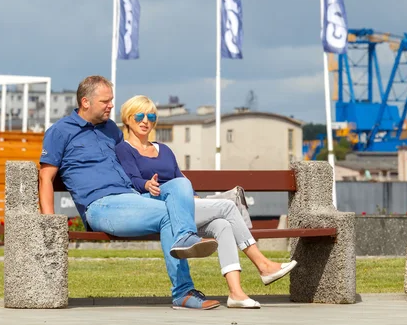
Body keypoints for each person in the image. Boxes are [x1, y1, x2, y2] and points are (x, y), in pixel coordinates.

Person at [38, 75, 221, 310]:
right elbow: (46, 178)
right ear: (85, 102)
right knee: (168, 214)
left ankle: (185, 239)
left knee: (180, 185)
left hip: (133, 199)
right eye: (105, 101)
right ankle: (183, 291)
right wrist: (49, 223)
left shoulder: (111, 130)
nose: (111, 105)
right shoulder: (60, 131)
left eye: (111, 100)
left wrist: (148, 181)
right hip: (101, 206)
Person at [115, 95, 298, 309]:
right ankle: (263, 264)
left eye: (151, 116)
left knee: (222, 225)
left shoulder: (163, 149)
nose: (146, 120)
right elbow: (131, 179)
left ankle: (236, 293)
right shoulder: (124, 148)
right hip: (156, 206)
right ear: (127, 119)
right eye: (139, 115)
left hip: (182, 206)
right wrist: (147, 184)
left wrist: (191, 194)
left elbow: (179, 177)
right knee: (228, 206)